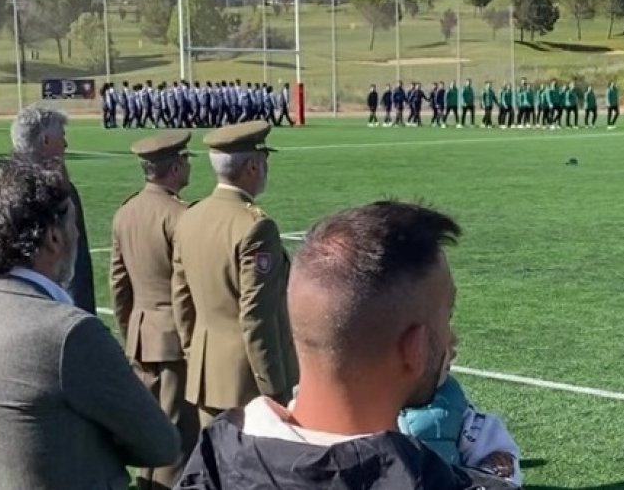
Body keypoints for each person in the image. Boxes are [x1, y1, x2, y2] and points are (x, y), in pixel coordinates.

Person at [178, 201, 516, 490]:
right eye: (447, 318)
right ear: (413, 349)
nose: (452, 338)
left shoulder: (212, 461)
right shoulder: (429, 478)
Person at [0, 156, 180, 490]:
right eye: (74, 225)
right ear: (53, 238)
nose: (77, 235)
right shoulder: (67, 333)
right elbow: (159, 443)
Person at [172, 121, 297, 427]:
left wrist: (195, 354)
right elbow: (256, 317)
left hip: (207, 376)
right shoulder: (255, 226)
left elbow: (181, 300)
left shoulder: (191, 216)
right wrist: (274, 388)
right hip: (248, 386)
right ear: (252, 166)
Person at [110, 131, 198, 490]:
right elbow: (188, 287)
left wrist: (129, 328)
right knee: (176, 435)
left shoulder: (125, 212)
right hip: (174, 337)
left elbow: (119, 285)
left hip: (141, 333)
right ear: (175, 167)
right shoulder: (180, 215)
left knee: (148, 428)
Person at [10, 105, 95, 315]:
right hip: (55, 311)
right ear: (46, 141)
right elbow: (75, 263)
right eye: (62, 136)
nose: (65, 144)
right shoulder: (57, 191)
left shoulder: (2, 188)